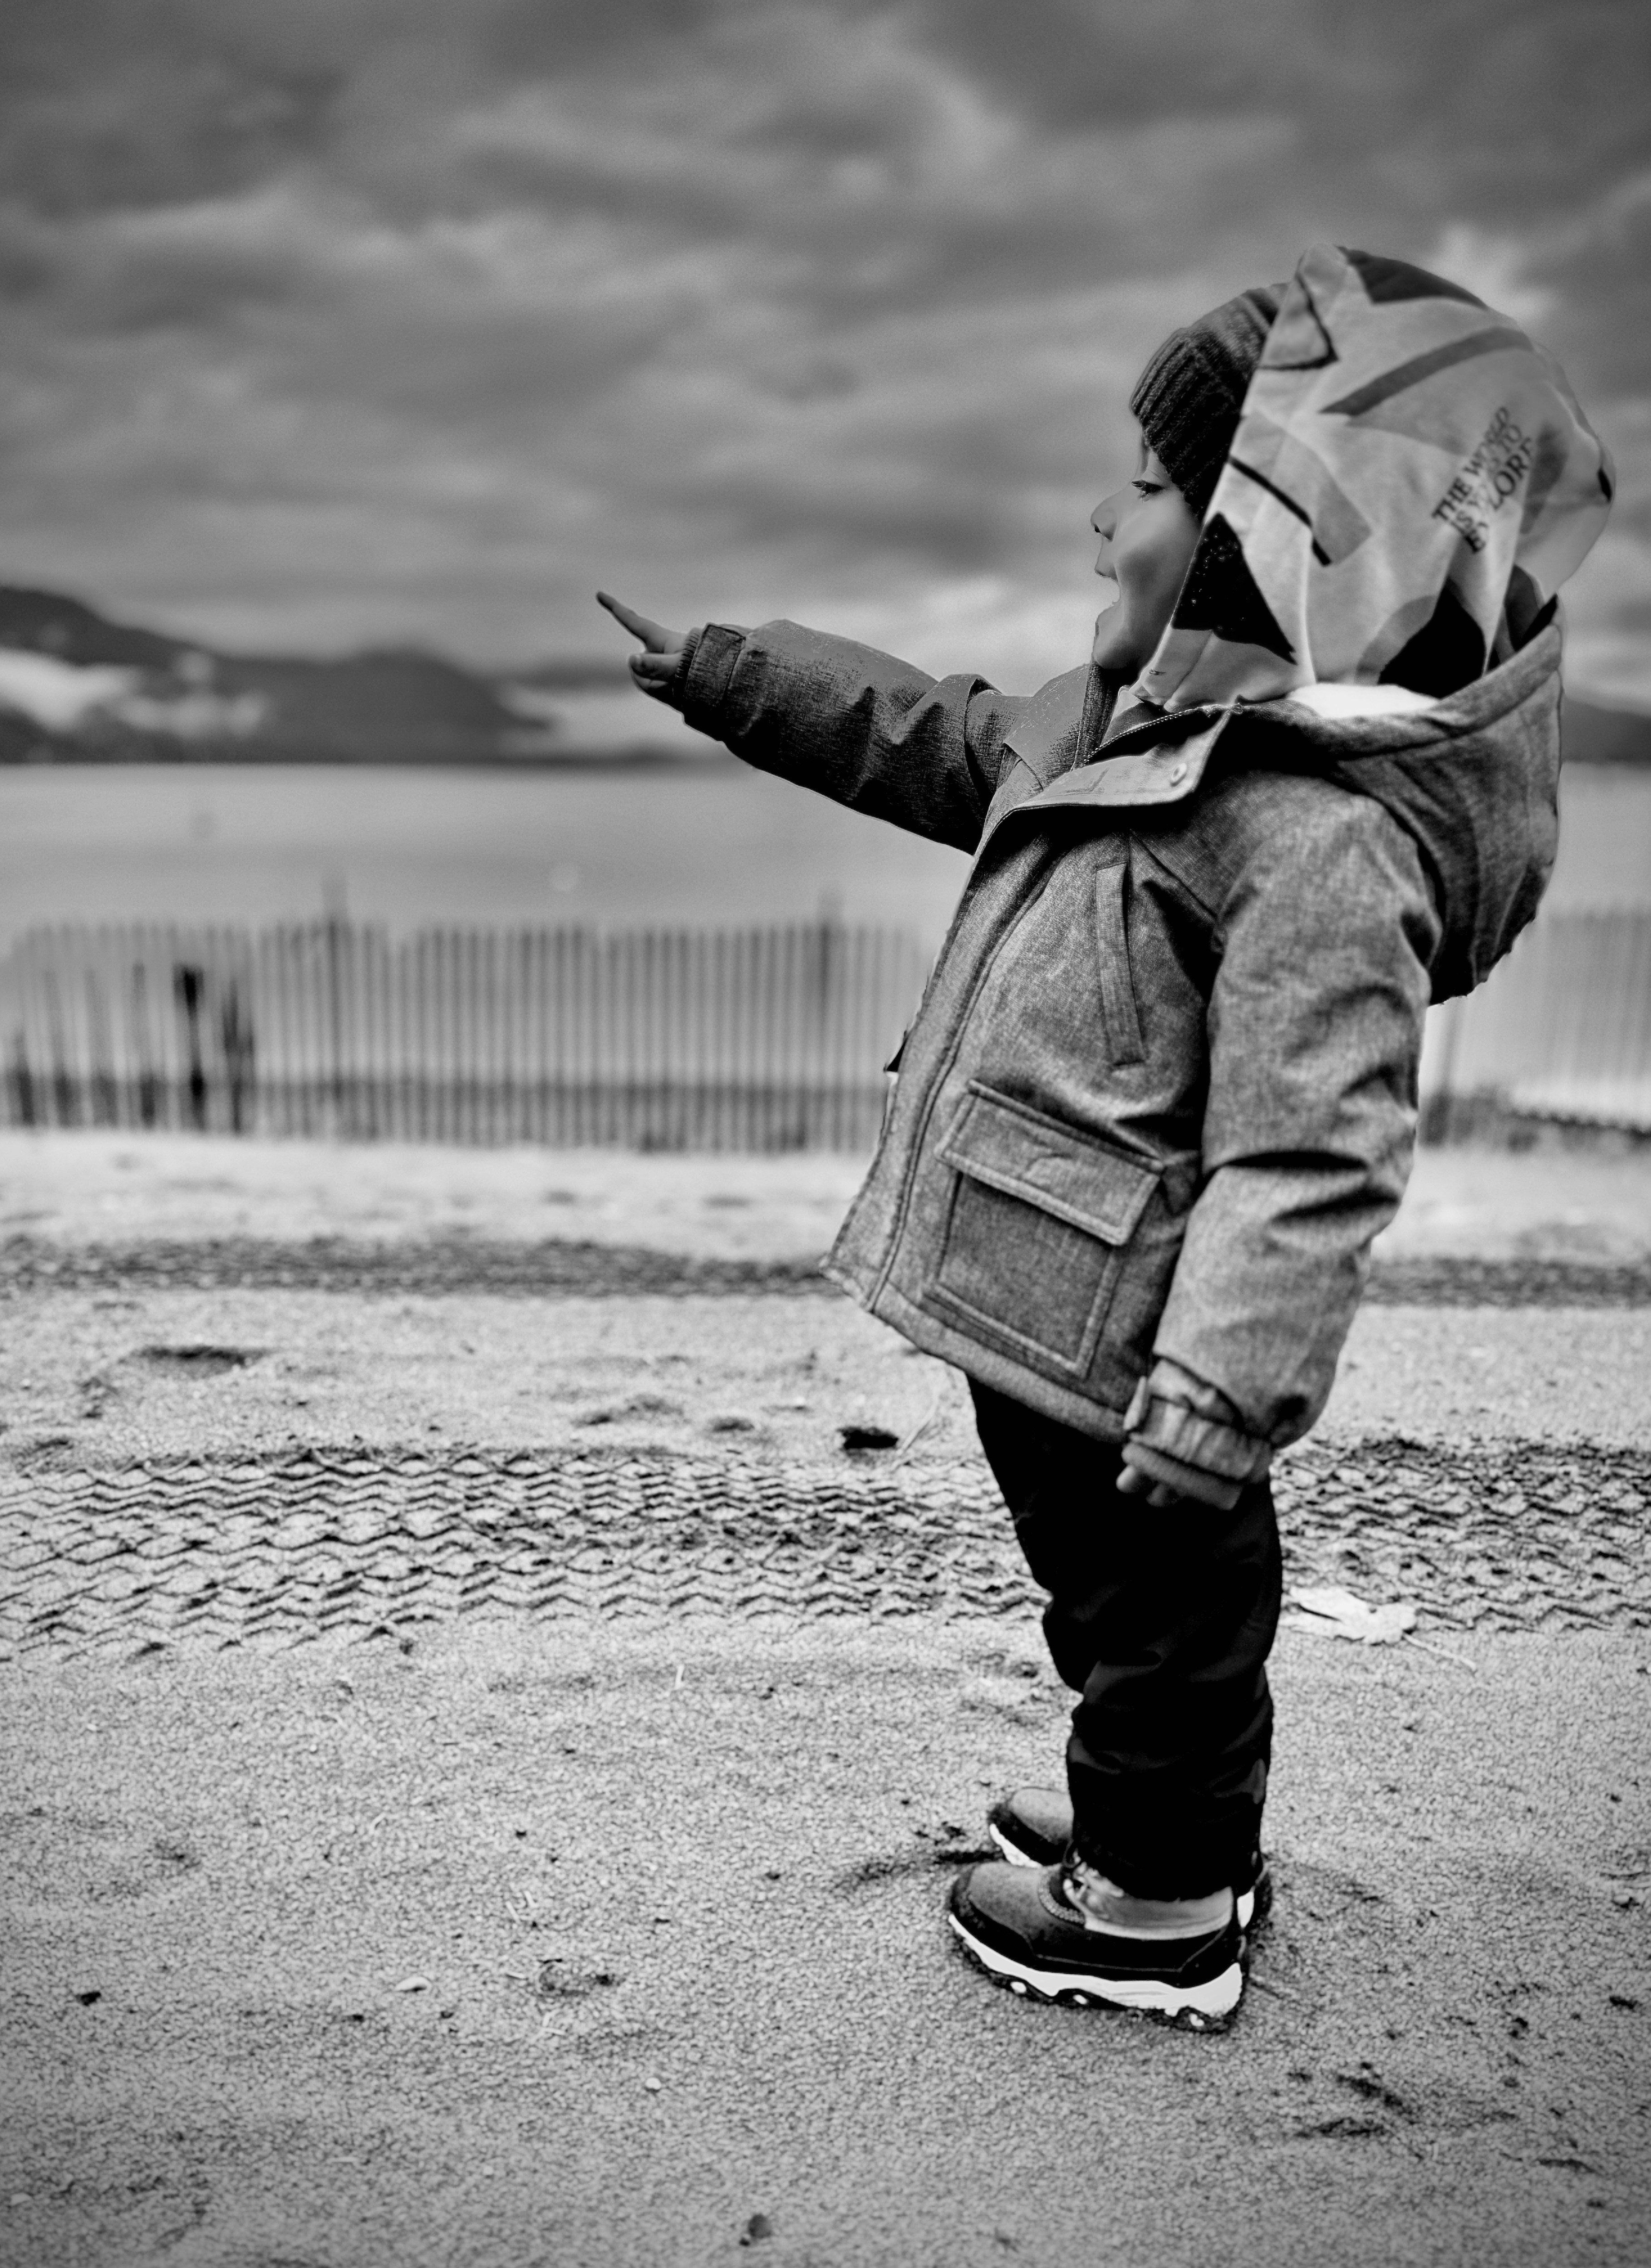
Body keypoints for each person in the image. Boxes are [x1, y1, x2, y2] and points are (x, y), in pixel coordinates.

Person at [599, 243, 1612, 2028]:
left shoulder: (1311, 830)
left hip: (1146, 1341)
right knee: (1108, 1602)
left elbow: (1314, 1144)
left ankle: (1157, 1901)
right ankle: (1159, 1817)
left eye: (1141, 486)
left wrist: (1225, 1385)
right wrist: (735, 676)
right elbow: (930, 735)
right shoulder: (1111, 729)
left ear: (1257, 537)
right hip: (1042, 1298)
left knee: (1171, 1605)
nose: (1095, 520)